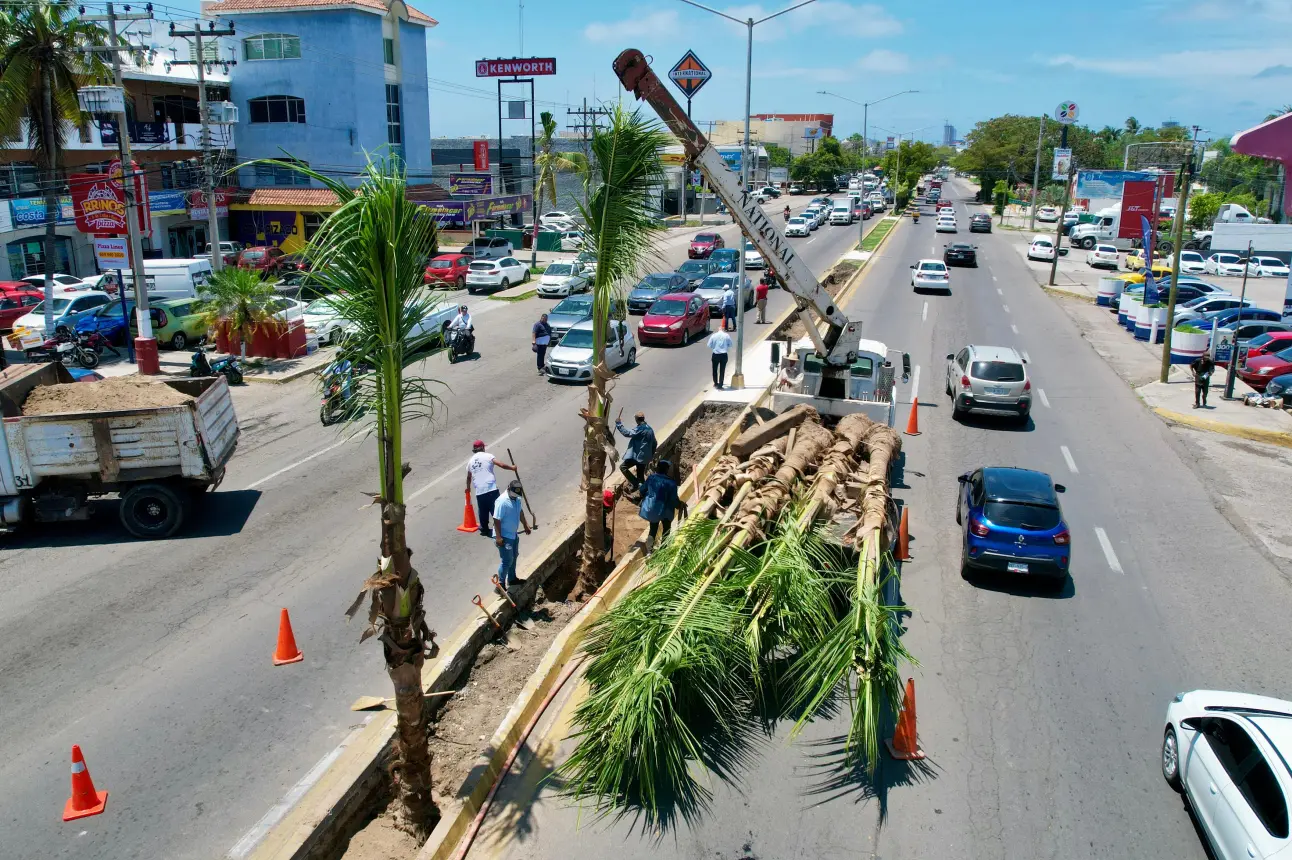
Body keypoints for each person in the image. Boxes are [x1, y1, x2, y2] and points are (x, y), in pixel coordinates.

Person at [465, 440, 517, 538]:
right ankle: (502, 530)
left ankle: (484, 529)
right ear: (483, 448)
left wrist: (468, 489)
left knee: (483, 510)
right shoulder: (488, 456)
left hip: (479, 492)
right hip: (491, 489)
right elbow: (501, 464)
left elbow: (468, 477)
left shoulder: (470, 461)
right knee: (496, 510)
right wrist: (512, 468)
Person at [491, 479, 533, 590]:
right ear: (509, 489)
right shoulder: (502, 501)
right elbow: (496, 519)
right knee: (507, 560)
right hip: (503, 536)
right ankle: (500, 585)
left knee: (514, 556)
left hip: (512, 534)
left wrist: (525, 525)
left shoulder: (516, 498)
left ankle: (512, 579)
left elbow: (520, 512)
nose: (515, 497)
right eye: (514, 495)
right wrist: (499, 537)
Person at [639, 460, 685, 554]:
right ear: (667, 470)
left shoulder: (651, 478)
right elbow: (673, 499)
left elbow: (642, 490)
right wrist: (680, 504)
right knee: (666, 530)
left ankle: (649, 552)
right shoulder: (671, 483)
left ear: (658, 468)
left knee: (653, 529)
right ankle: (663, 552)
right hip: (666, 510)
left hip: (654, 509)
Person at [615, 411, 657, 494]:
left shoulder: (640, 429)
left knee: (623, 467)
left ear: (637, 419)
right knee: (640, 476)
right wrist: (650, 455)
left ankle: (635, 484)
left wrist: (619, 424)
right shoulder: (649, 429)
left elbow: (627, 433)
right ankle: (643, 493)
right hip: (645, 458)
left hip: (638, 457)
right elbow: (655, 443)